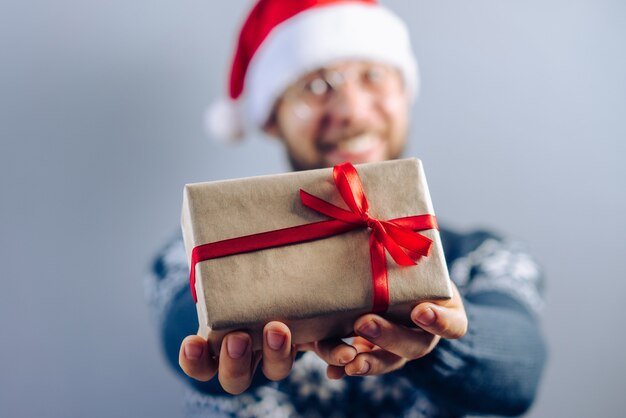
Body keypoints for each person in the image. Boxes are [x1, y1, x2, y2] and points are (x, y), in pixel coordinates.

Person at [146, 1, 547, 417]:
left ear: (405, 92)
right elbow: (183, 329)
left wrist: (438, 332)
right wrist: (258, 329)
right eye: (315, 86)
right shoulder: (191, 251)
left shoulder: (486, 256)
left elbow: (519, 371)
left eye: (373, 75)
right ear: (271, 117)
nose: (352, 112)